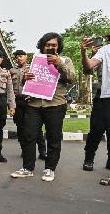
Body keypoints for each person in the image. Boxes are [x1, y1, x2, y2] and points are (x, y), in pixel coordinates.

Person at [11, 32, 76, 182]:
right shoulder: (35, 61)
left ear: (58, 47)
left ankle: (49, 169)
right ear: (42, 46)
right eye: (47, 45)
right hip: (34, 104)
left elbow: (72, 78)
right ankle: (27, 168)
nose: (50, 47)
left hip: (55, 104)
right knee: (28, 135)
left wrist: (58, 63)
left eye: (54, 45)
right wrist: (25, 79)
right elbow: (25, 84)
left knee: (53, 138)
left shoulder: (65, 60)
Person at [81, 37, 110, 185]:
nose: (95, 49)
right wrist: (83, 52)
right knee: (96, 131)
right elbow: (88, 67)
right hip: (103, 97)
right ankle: (89, 159)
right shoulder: (104, 51)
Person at [10, 49, 47, 160]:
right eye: (17, 56)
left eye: (21, 56)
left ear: (26, 57)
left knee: (36, 127)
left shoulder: (33, 68)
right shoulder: (11, 70)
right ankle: (25, 150)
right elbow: (9, 88)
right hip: (18, 101)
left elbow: (39, 84)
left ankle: (42, 151)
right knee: (20, 128)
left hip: (31, 101)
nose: (19, 58)